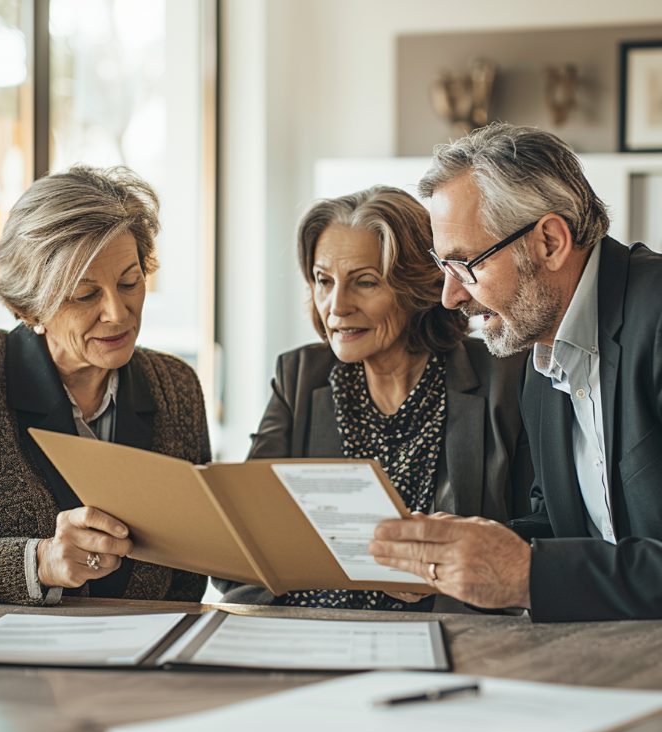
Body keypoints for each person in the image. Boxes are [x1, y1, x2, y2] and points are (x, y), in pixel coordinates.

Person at [0, 166, 209, 605]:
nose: (118, 312)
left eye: (130, 281)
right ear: (28, 306)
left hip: (143, 654)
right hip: (5, 659)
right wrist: (40, 562)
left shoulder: (176, 386)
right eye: (85, 295)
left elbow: (188, 580)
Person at [369, 122, 662, 622]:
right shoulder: (541, 354)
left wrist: (527, 573)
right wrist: (453, 554)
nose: (451, 297)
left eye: (467, 265)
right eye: (445, 268)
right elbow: (569, 531)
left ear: (549, 241)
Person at [217, 185, 532, 610]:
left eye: (365, 282)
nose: (336, 306)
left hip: (453, 634)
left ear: (418, 286)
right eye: (323, 280)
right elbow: (241, 542)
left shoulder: (504, 376)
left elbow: (537, 540)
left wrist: (439, 574)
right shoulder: (299, 377)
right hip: (313, 635)